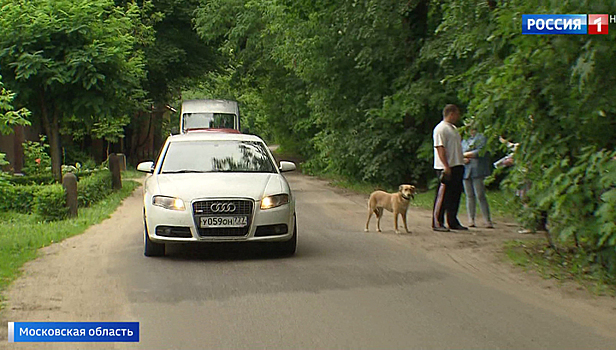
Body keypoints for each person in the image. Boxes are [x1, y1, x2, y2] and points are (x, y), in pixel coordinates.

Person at [432, 104, 467, 232]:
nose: (458, 117)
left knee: (455, 194)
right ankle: (437, 221)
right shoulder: (440, 129)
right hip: (446, 166)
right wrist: (446, 166)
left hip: (457, 164)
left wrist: (461, 159)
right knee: (443, 195)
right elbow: (440, 148)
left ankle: (452, 220)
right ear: (451, 114)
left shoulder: (453, 129)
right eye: (457, 114)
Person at [462, 123, 493, 228]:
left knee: (480, 195)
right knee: (469, 195)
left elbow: (480, 152)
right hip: (466, 171)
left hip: (477, 170)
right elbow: (460, 152)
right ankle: (471, 219)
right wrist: (463, 159)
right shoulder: (464, 140)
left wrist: (466, 154)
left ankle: (487, 220)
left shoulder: (481, 137)